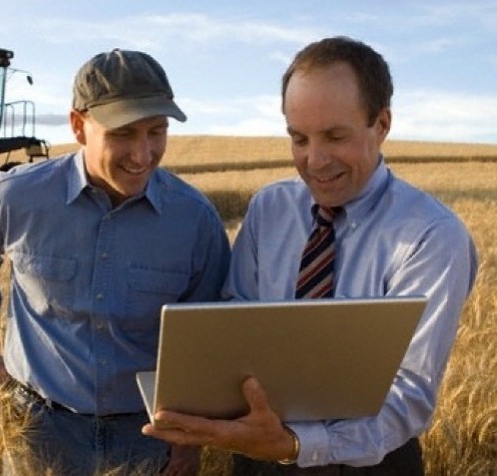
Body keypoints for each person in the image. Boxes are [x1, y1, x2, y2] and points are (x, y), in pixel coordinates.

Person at [143, 36, 478, 474]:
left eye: (335, 136)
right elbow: (237, 317)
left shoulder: (432, 236)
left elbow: (408, 395)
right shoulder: (269, 208)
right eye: (298, 138)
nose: (314, 161)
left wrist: (297, 443)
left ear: (381, 124)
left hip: (370, 460)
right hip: (257, 455)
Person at [0, 48, 231, 475]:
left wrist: (187, 439)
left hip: (145, 439)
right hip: (37, 430)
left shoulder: (195, 220)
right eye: (123, 134)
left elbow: (206, 336)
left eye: (157, 132)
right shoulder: (15, 198)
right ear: (79, 127)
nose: (143, 154)